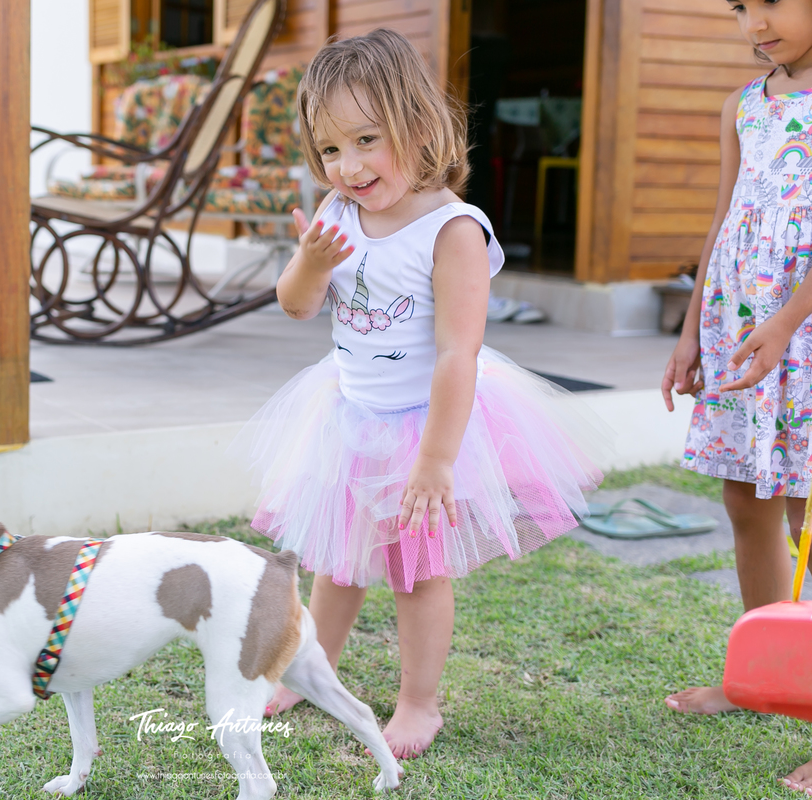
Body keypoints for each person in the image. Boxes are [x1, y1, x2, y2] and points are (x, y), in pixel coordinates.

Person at [238, 28, 608, 759]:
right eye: (331, 149)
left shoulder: (452, 229)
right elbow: (297, 305)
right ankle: (314, 671)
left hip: (427, 426)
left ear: (417, 122)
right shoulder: (336, 216)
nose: (348, 166)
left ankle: (419, 703)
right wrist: (309, 262)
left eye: (368, 140)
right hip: (347, 417)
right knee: (338, 562)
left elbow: (457, 352)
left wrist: (436, 462)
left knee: (414, 572)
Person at [661, 0, 812, 792]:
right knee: (746, 497)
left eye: (773, 1)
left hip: (803, 330)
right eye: (741, 5)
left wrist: (787, 324)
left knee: (806, 511)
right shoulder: (742, 105)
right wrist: (689, 336)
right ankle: (764, 675)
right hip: (738, 324)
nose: (756, 20)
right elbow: (722, 221)